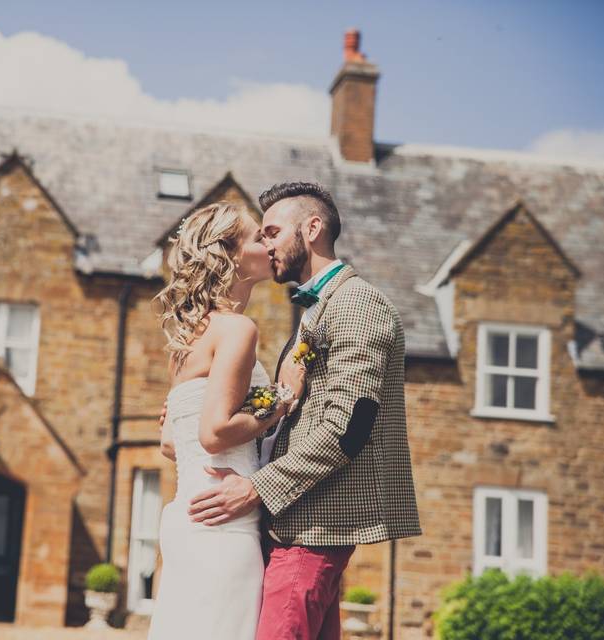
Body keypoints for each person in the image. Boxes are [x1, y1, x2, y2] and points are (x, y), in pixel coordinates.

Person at [186, 182, 422, 640]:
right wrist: (192, 407)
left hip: (313, 528)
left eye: (273, 231)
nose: (266, 243)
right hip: (295, 526)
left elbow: (347, 428)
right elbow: (291, 411)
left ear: (312, 229)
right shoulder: (317, 309)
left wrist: (255, 489)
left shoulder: (357, 304)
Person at [148, 201, 307, 640]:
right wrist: (282, 398)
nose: (270, 244)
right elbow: (214, 433)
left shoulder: (187, 338)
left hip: (186, 518)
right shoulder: (238, 330)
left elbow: (170, 443)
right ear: (231, 254)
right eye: (259, 237)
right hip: (223, 527)